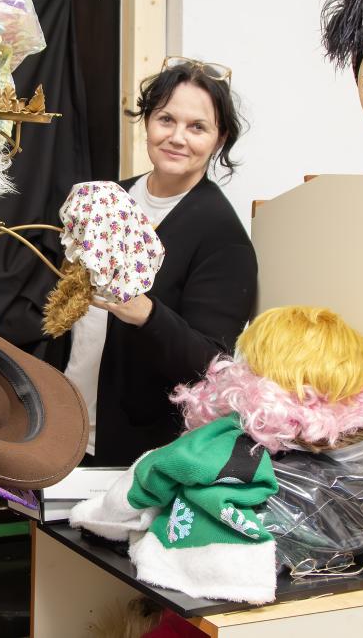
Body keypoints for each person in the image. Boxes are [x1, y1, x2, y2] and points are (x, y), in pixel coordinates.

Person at [49, 57, 258, 467]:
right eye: (166, 119)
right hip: (65, 424)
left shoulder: (222, 236)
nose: (177, 137)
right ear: (147, 121)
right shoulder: (109, 199)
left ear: (220, 139)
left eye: (197, 127)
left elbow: (213, 366)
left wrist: (147, 314)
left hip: (138, 450)